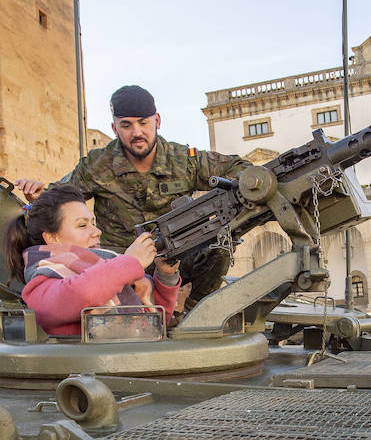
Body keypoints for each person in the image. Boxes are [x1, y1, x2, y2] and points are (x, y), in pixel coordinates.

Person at [16, 85, 254, 310]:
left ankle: (193, 313)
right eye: (127, 125)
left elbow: (241, 169)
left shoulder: (185, 160)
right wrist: (40, 195)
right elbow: (60, 199)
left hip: (175, 258)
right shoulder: (97, 165)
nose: (137, 132)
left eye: (143, 123)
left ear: (157, 121)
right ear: (114, 128)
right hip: (118, 265)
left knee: (220, 242)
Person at [3, 183, 180, 336]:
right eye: (82, 225)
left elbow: (154, 322)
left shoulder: (106, 271)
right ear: (52, 238)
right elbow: (81, 293)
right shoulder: (41, 284)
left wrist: (165, 276)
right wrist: (130, 261)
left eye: (93, 223)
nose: (97, 231)